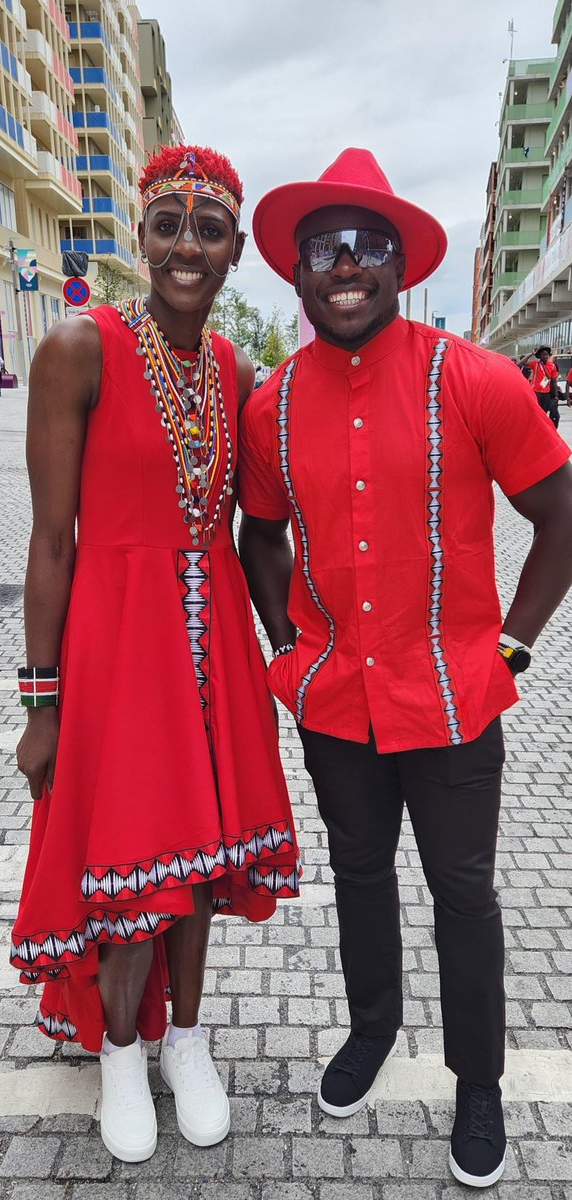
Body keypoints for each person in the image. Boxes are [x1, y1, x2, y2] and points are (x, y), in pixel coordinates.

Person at [237, 148, 572, 1189]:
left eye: (366, 245)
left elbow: (556, 513)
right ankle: (371, 1029)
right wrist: (284, 645)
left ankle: (478, 1083)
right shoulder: (270, 406)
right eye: (323, 247)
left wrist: (512, 641)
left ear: (397, 267)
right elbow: (258, 535)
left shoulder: (471, 376)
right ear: (295, 275)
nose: (345, 263)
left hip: (453, 694)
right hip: (335, 699)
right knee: (358, 874)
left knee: (463, 893)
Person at [12, 143, 300, 1164]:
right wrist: (41, 698)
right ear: (139, 239)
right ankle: (123, 1056)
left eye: (209, 229)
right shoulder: (75, 349)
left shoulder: (233, 370)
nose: (186, 245)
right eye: (168, 224)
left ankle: (186, 1040)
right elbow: (49, 539)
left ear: (232, 257)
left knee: (204, 865)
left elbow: (267, 516)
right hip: (113, 646)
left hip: (211, 638)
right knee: (134, 867)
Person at [520, 345, 560, 427]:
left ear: (548, 355)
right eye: (542, 355)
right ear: (539, 356)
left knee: (543, 414)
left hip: (546, 394)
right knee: (534, 413)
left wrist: (555, 395)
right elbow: (521, 363)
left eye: (546, 354)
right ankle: (533, 427)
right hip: (535, 392)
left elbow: (554, 381)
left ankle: (540, 428)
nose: (544, 356)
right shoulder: (535, 364)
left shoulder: (552, 366)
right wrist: (531, 354)